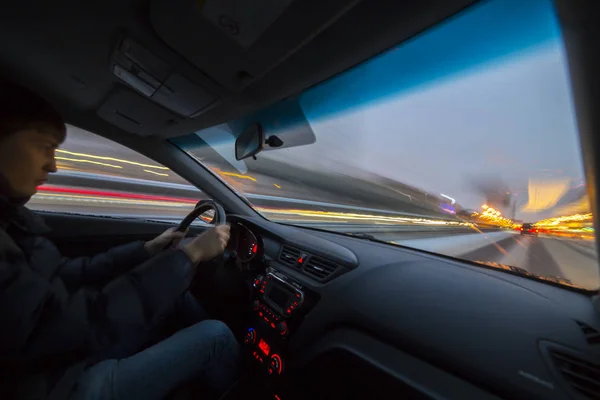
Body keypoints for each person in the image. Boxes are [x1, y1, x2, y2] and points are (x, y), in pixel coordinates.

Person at [0, 80, 240, 399]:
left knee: (177, 297)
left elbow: (63, 275)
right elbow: (60, 327)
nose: (53, 165)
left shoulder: (10, 223)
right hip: (57, 386)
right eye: (44, 146)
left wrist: (144, 251)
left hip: (57, 363)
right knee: (218, 337)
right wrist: (188, 256)